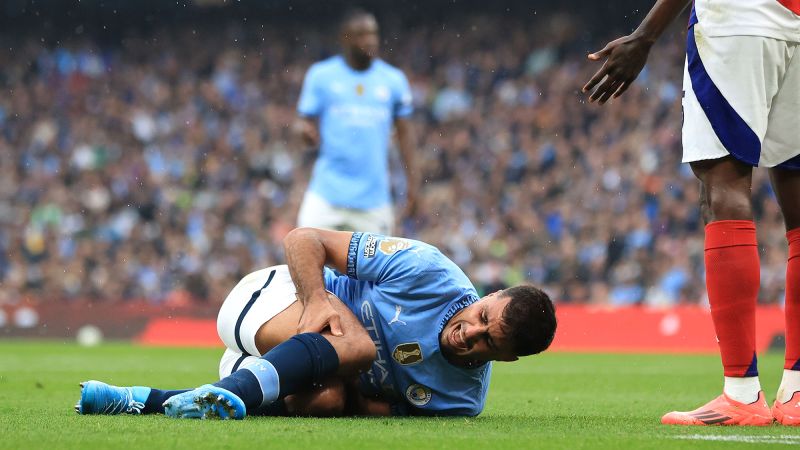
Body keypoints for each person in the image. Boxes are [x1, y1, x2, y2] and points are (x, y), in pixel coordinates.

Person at [584, 0, 800, 426]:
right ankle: (796, 391)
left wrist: (645, 35)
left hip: (738, 20)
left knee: (723, 187)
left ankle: (741, 393)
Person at [75, 228, 557, 418]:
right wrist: (318, 300)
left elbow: (365, 413)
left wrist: (349, 392)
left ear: (506, 358)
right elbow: (303, 240)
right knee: (360, 348)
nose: (469, 332)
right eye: (481, 317)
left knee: (325, 403)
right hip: (270, 299)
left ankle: (141, 401)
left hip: (277, 363)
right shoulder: (428, 270)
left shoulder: (461, 402)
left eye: (486, 342)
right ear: (488, 296)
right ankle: (236, 389)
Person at [293, 9, 417, 235]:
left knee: (375, 270)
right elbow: (303, 122)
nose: (369, 40)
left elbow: (406, 137)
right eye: (361, 34)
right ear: (345, 38)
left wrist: (413, 188)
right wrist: (305, 132)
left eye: (373, 34)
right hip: (326, 195)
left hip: (374, 202)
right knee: (303, 256)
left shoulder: (393, 80)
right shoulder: (321, 76)